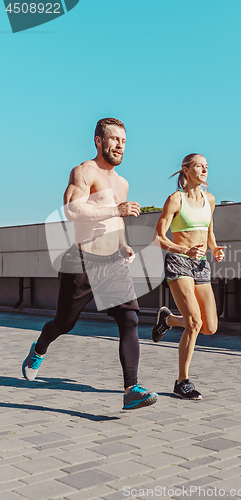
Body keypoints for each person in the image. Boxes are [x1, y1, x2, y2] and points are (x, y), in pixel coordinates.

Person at [22, 118, 158, 410]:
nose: (120, 145)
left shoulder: (122, 183)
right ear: (99, 141)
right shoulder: (84, 171)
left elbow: (117, 221)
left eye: (124, 140)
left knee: (130, 319)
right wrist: (114, 209)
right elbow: (72, 208)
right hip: (81, 260)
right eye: (114, 139)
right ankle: (40, 347)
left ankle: (131, 389)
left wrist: (123, 245)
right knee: (64, 322)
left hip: (112, 263)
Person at [152, 153, 225, 400]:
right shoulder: (175, 200)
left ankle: (169, 320)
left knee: (209, 327)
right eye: (199, 166)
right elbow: (159, 237)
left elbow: (209, 230)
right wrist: (183, 249)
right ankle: (182, 381)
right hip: (179, 262)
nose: (204, 169)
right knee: (194, 322)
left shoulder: (210, 199)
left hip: (201, 265)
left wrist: (214, 249)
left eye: (206, 166)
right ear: (185, 170)